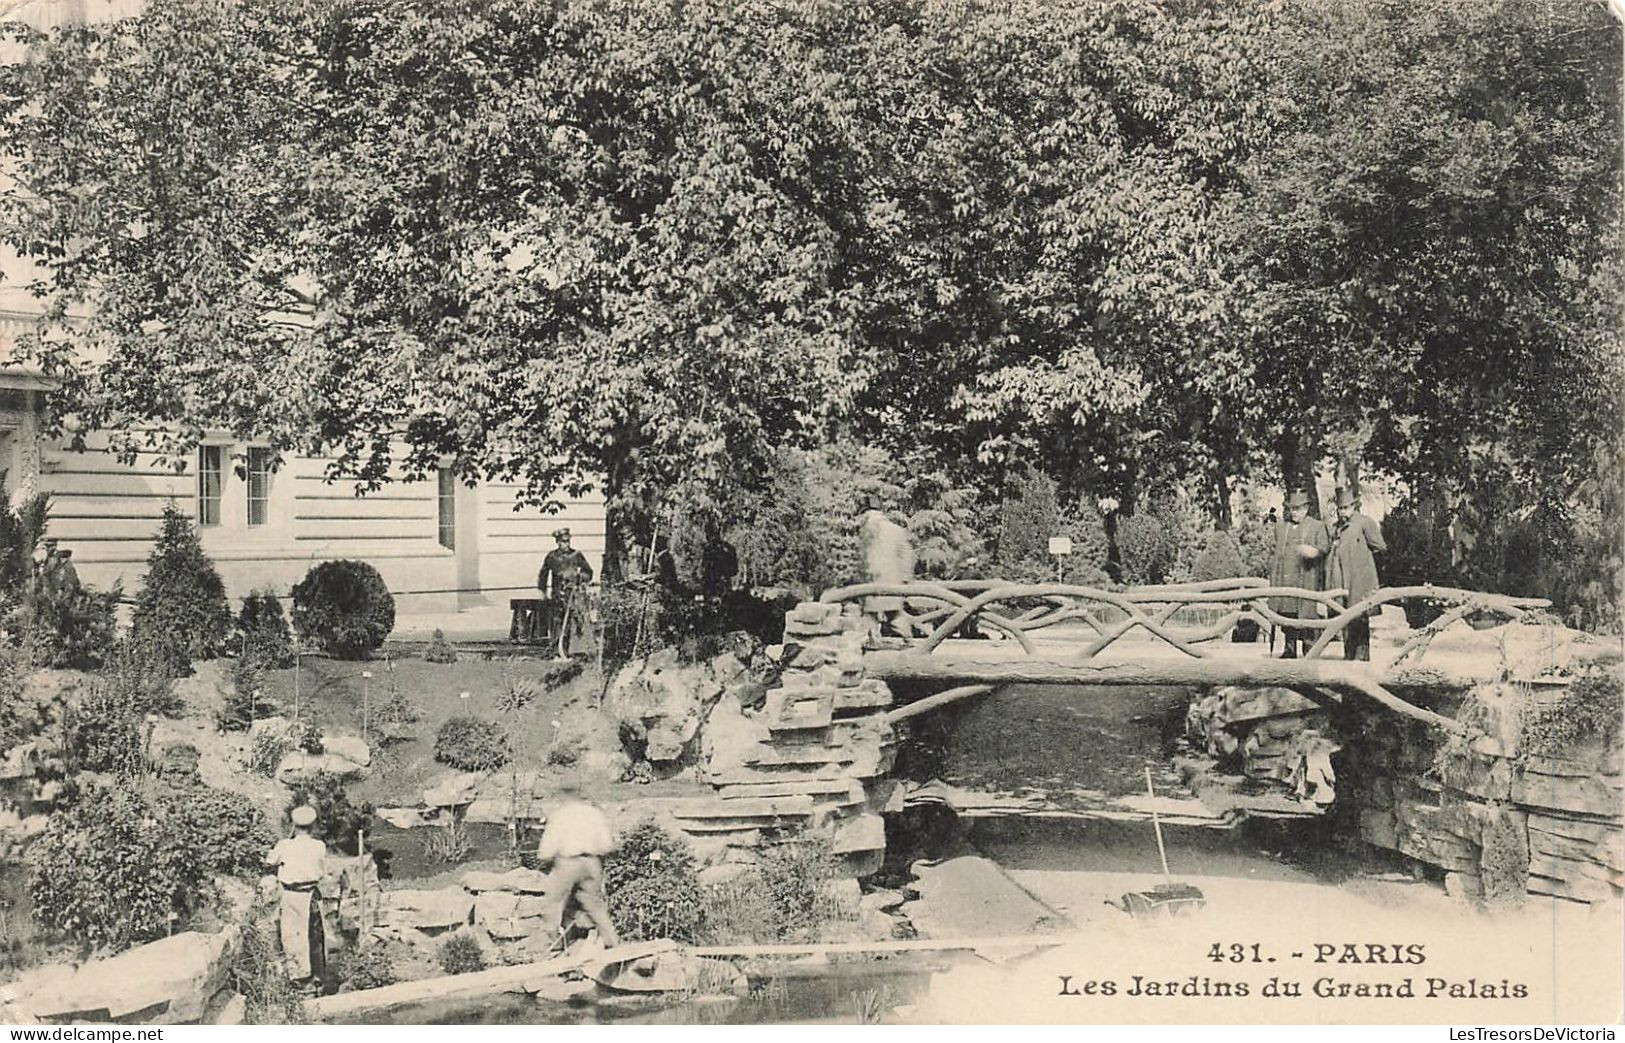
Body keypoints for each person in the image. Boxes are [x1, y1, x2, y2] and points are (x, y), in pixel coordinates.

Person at [535, 781, 619, 951]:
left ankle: (554, 943)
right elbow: (607, 844)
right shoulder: (594, 813)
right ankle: (611, 940)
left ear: (564, 796)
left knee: (554, 900)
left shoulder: (561, 814)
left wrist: (544, 857)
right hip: (592, 862)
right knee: (593, 903)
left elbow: (547, 848)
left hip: (569, 862)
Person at [265, 805, 329, 982]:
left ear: (293, 824)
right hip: (311, 895)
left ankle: (299, 978)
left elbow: (270, 860)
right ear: (313, 826)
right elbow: (322, 870)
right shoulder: (319, 846)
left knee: (293, 936)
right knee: (314, 935)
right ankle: (317, 978)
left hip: (292, 895)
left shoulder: (284, 845)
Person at [1268, 490, 1332, 659]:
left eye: (1299, 508)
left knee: (1307, 615)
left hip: (1307, 578)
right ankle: (1289, 649)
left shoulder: (1317, 526)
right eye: (1292, 509)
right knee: (1287, 614)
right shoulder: (1283, 527)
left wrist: (1314, 551)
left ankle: (1309, 650)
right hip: (1286, 579)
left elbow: (1324, 548)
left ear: (1306, 508)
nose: (1296, 512)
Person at [1327, 486, 1387, 662]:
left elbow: (1380, 546)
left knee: (1360, 615)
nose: (1343, 511)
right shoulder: (1336, 527)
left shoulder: (1364, 523)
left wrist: (1363, 561)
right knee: (1345, 615)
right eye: (1340, 508)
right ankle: (1349, 653)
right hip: (1342, 578)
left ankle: (1362, 654)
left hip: (1360, 577)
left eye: (1346, 508)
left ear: (1354, 506)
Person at [860, 509, 916, 638]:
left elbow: (861, 558)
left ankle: (869, 639)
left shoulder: (866, 532)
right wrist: (906, 577)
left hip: (871, 580)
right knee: (895, 613)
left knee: (871, 615)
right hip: (893, 579)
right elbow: (907, 554)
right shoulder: (897, 530)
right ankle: (908, 639)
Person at [538, 528, 594, 656]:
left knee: (576, 621)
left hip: (573, 594)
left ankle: (576, 650)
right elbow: (543, 574)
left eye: (568, 541)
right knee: (557, 622)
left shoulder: (576, 555)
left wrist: (581, 578)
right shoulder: (551, 557)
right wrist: (542, 591)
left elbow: (588, 571)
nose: (566, 544)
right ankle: (556, 649)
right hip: (558, 594)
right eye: (563, 542)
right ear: (557, 542)